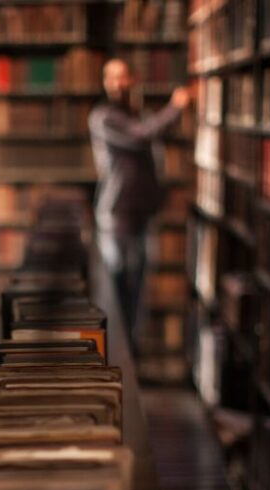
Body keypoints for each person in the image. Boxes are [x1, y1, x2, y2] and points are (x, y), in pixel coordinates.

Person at [89, 58, 191, 346]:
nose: (118, 83)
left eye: (123, 77)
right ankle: (115, 350)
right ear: (105, 82)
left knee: (138, 287)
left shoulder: (137, 113)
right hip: (117, 214)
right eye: (112, 77)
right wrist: (175, 107)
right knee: (118, 284)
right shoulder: (104, 116)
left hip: (144, 212)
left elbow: (153, 131)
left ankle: (130, 350)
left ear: (133, 80)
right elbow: (143, 134)